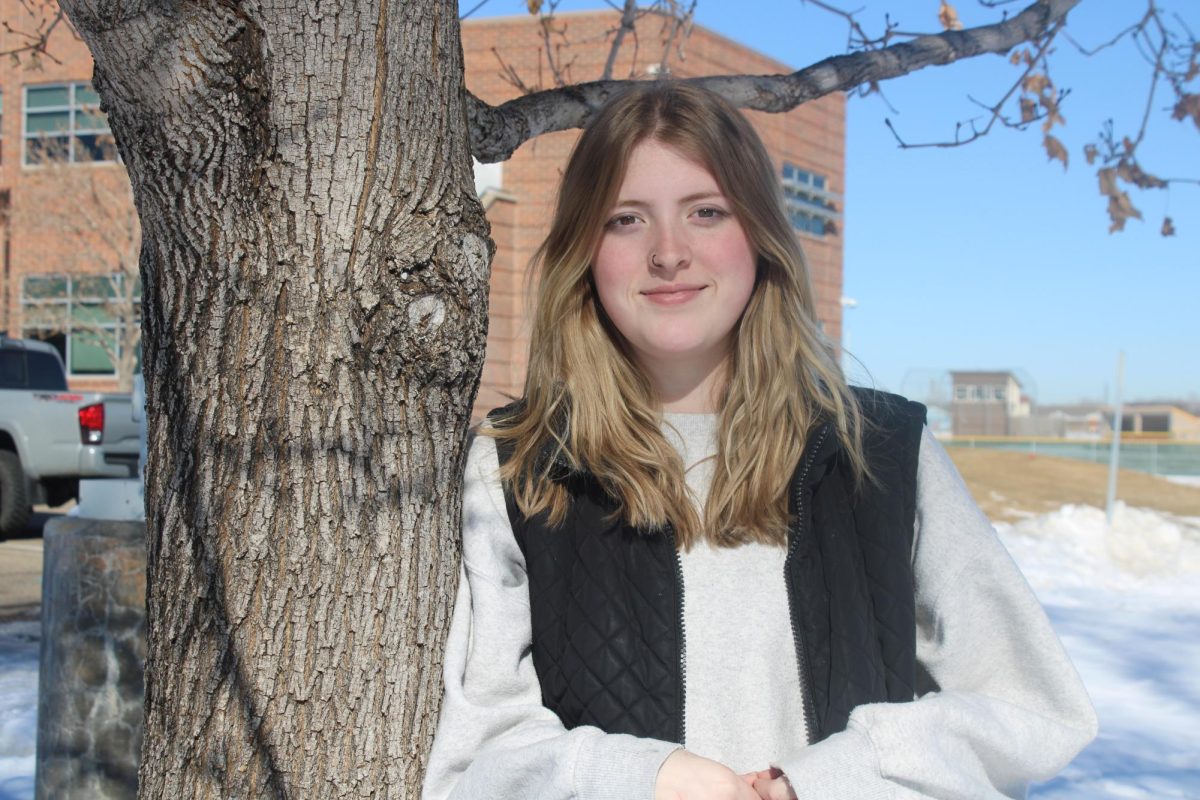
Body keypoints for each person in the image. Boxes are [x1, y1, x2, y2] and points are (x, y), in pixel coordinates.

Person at [422, 83, 1097, 800]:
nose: (669, 253)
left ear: (759, 233)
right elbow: (472, 761)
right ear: (584, 250)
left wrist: (833, 779)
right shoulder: (518, 469)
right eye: (626, 220)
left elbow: (1032, 711)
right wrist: (637, 780)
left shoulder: (880, 452)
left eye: (705, 212)